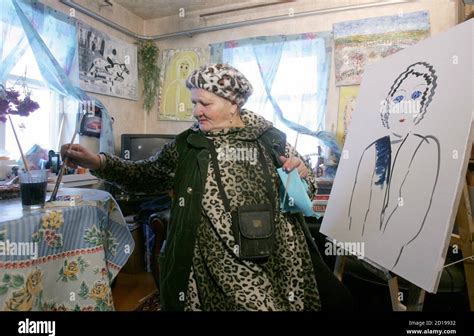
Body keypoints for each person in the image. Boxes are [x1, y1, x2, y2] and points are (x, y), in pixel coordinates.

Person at [61, 63, 351, 311]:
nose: (196, 112)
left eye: (205, 103)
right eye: (194, 103)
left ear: (233, 104)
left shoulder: (270, 140)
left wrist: (301, 175)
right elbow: (147, 174)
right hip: (206, 262)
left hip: (266, 259)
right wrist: (99, 162)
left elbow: (306, 191)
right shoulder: (187, 145)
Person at [348, 62, 439, 270]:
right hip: (364, 248)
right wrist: (355, 242)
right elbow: (355, 210)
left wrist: (382, 253)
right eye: (399, 98)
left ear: (423, 106)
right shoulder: (373, 149)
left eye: (415, 97)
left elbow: (410, 217)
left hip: (396, 257)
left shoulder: (424, 147)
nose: (405, 106)